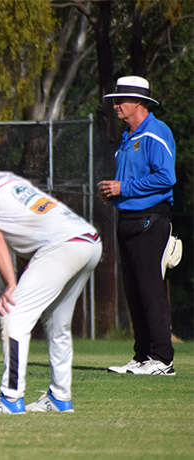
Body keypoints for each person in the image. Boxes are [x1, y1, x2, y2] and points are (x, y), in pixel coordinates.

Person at [0, 132, 102, 414]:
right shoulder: (4, 178)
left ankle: (10, 399)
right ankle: (60, 398)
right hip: (89, 240)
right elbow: (26, 235)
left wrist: (11, 284)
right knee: (57, 323)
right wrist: (17, 280)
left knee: (13, 315)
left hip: (62, 246)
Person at [99, 76, 176, 376]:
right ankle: (143, 356)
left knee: (150, 291)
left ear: (139, 103)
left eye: (120, 100)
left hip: (150, 221)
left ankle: (162, 359)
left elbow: (166, 178)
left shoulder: (156, 132)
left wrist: (123, 188)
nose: (115, 105)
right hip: (129, 220)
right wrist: (114, 193)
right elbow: (129, 183)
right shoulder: (126, 137)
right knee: (134, 292)